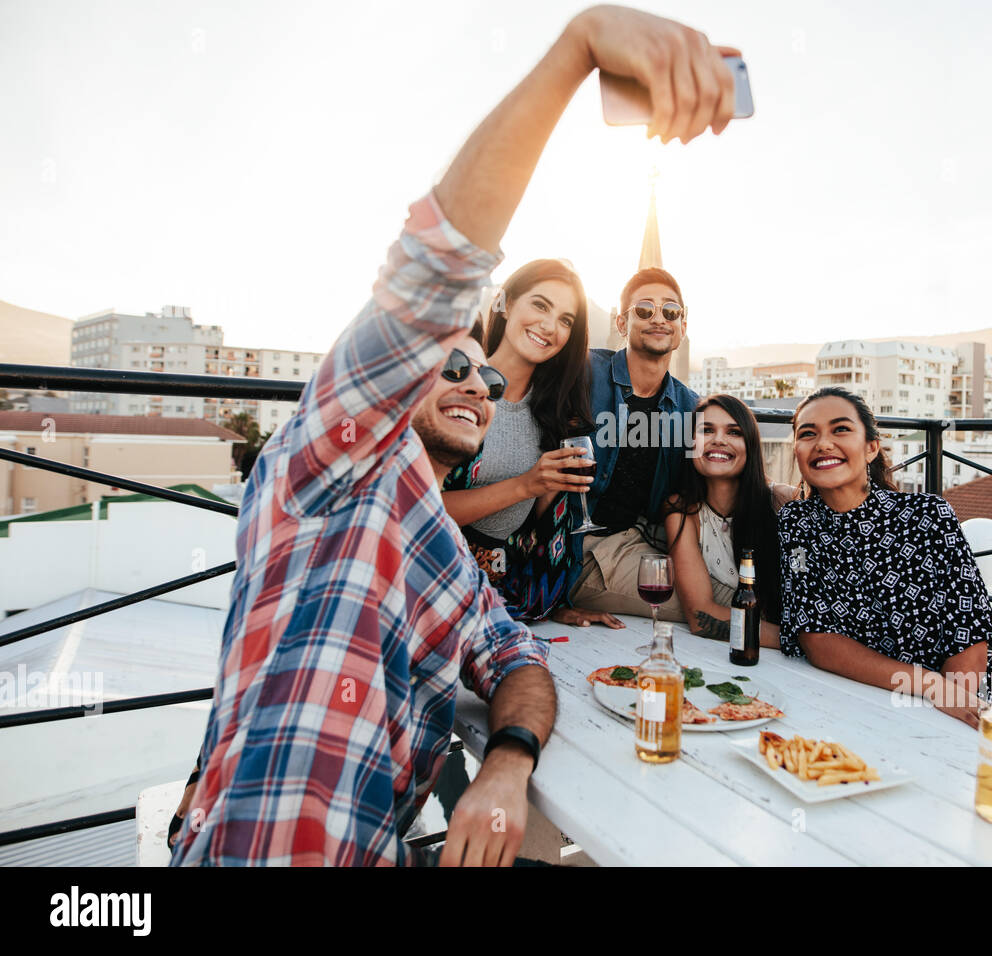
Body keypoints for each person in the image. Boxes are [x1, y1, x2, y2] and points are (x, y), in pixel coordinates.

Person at [170, 5, 742, 866]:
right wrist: (577, 50)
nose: (479, 383)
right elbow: (436, 265)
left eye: (489, 379)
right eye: (453, 367)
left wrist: (509, 764)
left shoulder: (453, 564)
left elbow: (520, 661)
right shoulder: (331, 467)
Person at [777, 386, 992, 747]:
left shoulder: (927, 515)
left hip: (973, 696)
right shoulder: (797, 522)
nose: (823, 443)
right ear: (796, 450)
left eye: (840, 429)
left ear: (871, 448)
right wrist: (930, 687)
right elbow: (818, 639)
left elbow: (967, 630)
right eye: (808, 434)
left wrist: (956, 703)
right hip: (872, 698)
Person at [440, 259, 623, 629]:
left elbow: (538, 530)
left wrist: (554, 602)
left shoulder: (554, 412)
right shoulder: (457, 385)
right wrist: (527, 484)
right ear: (505, 303)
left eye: (565, 320)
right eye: (540, 305)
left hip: (508, 599)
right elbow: (416, 510)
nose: (549, 326)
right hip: (436, 583)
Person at [567, 267, 701, 615]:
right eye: (644, 309)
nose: (659, 318)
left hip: (640, 541)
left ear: (682, 327)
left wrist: (778, 489)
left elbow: (728, 459)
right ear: (622, 323)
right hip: (579, 547)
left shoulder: (690, 407)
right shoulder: (582, 374)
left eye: (670, 311)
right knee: (702, 603)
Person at [663, 394, 795, 644]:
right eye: (706, 430)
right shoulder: (681, 511)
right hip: (769, 648)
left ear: (751, 445)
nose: (719, 440)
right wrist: (798, 641)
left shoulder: (782, 502)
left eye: (733, 432)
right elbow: (700, 616)